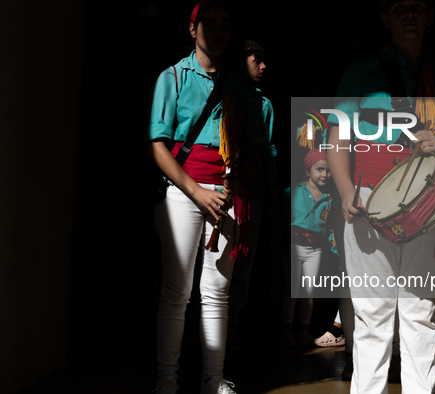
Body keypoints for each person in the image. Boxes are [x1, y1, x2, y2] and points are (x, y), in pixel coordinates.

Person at [326, 0, 435, 392]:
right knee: (372, 316)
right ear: (385, 18)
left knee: (419, 312)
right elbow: (338, 136)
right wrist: (345, 190)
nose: (409, 15)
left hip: (425, 206)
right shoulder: (362, 73)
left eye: (418, 7)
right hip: (365, 202)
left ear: (431, 17)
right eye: (400, 8)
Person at [145, 1, 265, 393]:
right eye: (209, 24)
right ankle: (167, 379)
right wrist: (197, 193)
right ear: (192, 29)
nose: (218, 32)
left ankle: (213, 380)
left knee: (217, 294)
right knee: (177, 291)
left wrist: (235, 184)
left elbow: (254, 147)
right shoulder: (174, 78)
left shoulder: (239, 84)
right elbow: (159, 145)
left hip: (226, 194)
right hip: (184, 190)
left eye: (225, 25)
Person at [227, 39, 277, 350]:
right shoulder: (221, 92)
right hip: (217, 189)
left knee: (243, 265)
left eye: (263, 59)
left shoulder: (264, 104)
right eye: (256, 59)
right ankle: (198, 331)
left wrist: (271, 200)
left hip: (252, 193)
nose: (263, 66)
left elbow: (267, 153)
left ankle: (230, 328)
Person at [281, 148, 335, 347]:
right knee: (292, 291)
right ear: (308, 171)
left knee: (309, 292)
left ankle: (304, 331)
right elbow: (281, 219)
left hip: (316, 250)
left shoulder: (329, 198)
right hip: (294, 246)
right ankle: (287, 332)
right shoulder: (292, 191)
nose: (325, 174)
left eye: (328, 171)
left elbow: (329, 229)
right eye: (320, 169)